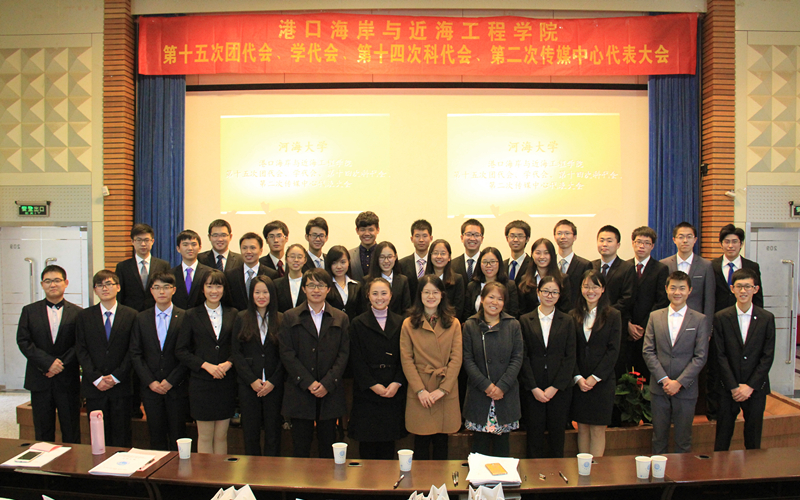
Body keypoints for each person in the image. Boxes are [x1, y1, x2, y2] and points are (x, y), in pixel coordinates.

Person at [279, 268, 350, 458]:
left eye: (320, 285)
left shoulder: (340, 318)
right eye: (311, 285)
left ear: (328, 289)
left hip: (330, 392)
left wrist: (327, 383)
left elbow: (343, 354)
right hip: (300, 391)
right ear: (304, 289)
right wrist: (308, 382)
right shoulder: (290, 316)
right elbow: (287, 353)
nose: (316, 290)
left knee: (328, 448)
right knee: (300, 448)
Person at [643, 271, 710, 454]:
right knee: (658, 438)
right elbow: (648, 351)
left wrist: (679, 382)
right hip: (659, 388)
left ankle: (681, 472)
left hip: (686, 389)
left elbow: (700, 356)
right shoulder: (655, 316)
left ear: (690, 290)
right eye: (673, 288)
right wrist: (664, 380)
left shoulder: (699, 319)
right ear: (666, 289)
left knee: (683, 440)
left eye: (682, 288)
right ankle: (659, 473)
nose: (677, 292)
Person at [16, 264, 82, 443]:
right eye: (48, 281)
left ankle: (72, 460)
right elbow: (24, 341)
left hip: (67, 379)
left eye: (57, 280)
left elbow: (80, 344)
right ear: (42, 284)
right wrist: (47, 363)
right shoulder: (29, 311)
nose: (53, 284)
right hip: (40, 378)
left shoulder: (78, 313)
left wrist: (60, 364)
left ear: (66, 283)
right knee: (43, 431)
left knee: (71, 430)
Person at [400, 275, 462, 460]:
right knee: (420, 442)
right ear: (420, 295)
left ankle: (440, 481)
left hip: (445, 388)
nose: (431, 296)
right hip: (421, 389)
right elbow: (406, 359)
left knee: (442, 443)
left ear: (442, 295)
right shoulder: (409, 324)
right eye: (426, 292)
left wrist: (443, 389)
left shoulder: (453, 323)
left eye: (435, 292)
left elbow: (456, 359)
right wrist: (420, 390)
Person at [175, 269, 237, 454]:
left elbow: (239, 347)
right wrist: (206, 366)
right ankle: (204, 473)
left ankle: (220, 472)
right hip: (201, 384)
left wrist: (229, 363)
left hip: (226, 382)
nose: (214, 290)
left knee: (221, 436)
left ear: (224, 289)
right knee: (205, 436)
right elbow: (181, 350)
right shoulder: (191, 314)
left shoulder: (234, 313)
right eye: (209, 286)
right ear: (202, 289)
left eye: (218, 286)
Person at [714, 268, 775, 451]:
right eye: (739, 286)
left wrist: (750, 386)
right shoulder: (721, 317)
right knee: (722, 438)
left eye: (748, 286)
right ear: (732, 288)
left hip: (755, 388)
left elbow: (767, 356)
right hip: (728, 388)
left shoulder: (766, 318)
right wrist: (734, 386)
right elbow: (719, 355)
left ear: (755, 289)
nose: (743, 291)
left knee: (753, 439)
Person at [75, 270, 138, 447]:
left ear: (118, 287)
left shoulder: (132, 315)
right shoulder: (84, 316)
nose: (105, 288)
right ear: (95, 290)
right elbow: (81, 350)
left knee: (122, 435)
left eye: (109, 284)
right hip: (95, 386)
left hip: (121, 385)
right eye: (100, 285)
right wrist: (96, 378)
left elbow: (133, 350)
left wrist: (116, 376)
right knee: (98, 437)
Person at [708, 224, 764, 421]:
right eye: (727, 242)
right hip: (719, 326)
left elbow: (758, 300)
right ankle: (714, 413)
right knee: (717, 367)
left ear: (741, 244)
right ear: (721, 244)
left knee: (745, 364)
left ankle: (744, 401)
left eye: (735, 242)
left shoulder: (752, 267)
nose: (730, 245)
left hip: (746, 325)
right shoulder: (712, 266)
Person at [462, 281, 523, 457]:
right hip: (480, 394)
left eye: (500, 299)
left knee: (502, 450)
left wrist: (502, 386)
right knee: (479, 450)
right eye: (491, 297)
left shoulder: (513, 325)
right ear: (481, 299)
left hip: (505, 394)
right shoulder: (471, 325)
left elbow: (517, 358)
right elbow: (468, 359)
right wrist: (487, 386)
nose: (495, 302)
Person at [129, 272, 189, 451]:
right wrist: (151, 382)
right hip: (151, 388)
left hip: (177, 387)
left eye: (166, 287)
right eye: (157, 287)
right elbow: (135, 353)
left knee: (178, 436)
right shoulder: (141, 318)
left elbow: (188, 353)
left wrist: (171, 381)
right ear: (151, 291)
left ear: (174, 290)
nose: (161, 292)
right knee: (156, 436)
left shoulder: (185, 317)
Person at [348, 278, 407, 459]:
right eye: (375, 293)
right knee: (367, 444)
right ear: (368, 295)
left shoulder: (402, 322)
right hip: (367, 391)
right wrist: (372, 385)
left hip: (393, 389)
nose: (379, 298)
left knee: (389, 445)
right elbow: (355, 359)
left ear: (391, 295)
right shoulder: (357, 323)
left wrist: (397, 382)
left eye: (383, 293)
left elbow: (406, 356)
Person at [519, 276, 576, 458]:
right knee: (533, 436)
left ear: (559, 295)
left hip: (559, 388)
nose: (549, 296)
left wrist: (555, 387)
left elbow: (570, 357)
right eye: (546, 291)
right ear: (538, 292)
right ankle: (533, 475)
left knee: (557, 437)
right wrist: (533, 387)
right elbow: (523, 356)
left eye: (554, 292)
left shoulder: (567, 320)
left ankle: (556, 473)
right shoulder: (525, 320)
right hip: (533, 387)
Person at [231, 275, 285, 456]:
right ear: (251, 295)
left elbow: (285, 355)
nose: (261, 296)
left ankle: (272, 470)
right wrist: (251, 380)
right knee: (250, 432)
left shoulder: (281, 318)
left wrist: (273, 381)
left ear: (272, 294)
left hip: (273, 385)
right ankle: (252, 469)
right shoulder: (241, 317)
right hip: (249, 385)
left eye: (265, 292)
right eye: (257, 292)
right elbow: (236, 353)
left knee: (273, 432)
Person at [571, 269, 621, 457]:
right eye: (586, 286)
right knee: (582, 428)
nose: (590, 291)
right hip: (579, 381)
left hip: (602, 382)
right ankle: (583, 468)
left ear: (603, 289)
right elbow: (570, 351)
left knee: (598, 429)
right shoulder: (572, 315)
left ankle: (597, 470)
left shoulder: (613, 315)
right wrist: (578, 377)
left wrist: (595, 377)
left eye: (595, 286)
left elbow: (613, 351)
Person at [625, 226, 669, 382]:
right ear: (633, 243)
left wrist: (644, 326)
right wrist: (628, 324)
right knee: (625, 373)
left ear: (652, 246)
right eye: (638, 242)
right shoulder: (624, 267)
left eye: (646, 243)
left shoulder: (661, 269)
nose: (641, 246)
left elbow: (662, 301)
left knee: (645, 374)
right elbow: (622, 299)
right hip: (626, 329)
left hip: (649, 330)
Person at [660, 222, 715, 325]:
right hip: (669, 320)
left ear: (695, 240)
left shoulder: (706, 265)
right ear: (674, 240)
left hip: (696, 321)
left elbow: (709, 300)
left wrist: (707, 327)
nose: (685, 241)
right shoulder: (664, 265)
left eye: (689, 237)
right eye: (681, 237)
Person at [115, 223, 171, 312]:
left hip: (156, 312)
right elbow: (119, 295)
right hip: (131, 313)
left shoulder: (163, 265)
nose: (143, 244)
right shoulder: (122, 267)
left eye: (146, 240)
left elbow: (168, 291)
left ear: (152, 241)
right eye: (139, 240)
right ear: (132, 242)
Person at [592, 225, 636, 329]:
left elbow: (627, 298)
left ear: (618, 245)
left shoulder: (627, 268)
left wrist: (605, 312)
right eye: (601, 240)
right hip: (592, 320)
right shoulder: (591, 266)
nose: (604, 244)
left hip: (616, 321)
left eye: (609, 241)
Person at [224, 232, 278, 311]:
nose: (248, 251)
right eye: (244, 248)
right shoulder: (230, 275)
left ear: (261, 250)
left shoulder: (271, 274)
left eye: (253, 248)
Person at [517, 238, 572, 315]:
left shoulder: (562, 279)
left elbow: (565, 308)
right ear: (532, 255)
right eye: (538, 253)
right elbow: (522, 310)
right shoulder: (525, 279)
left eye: (546, 253)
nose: (542, 257)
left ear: (552, 255)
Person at [464, 247, 519, 322]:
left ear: (499, 263)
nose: (488, 265)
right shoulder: (472, 286)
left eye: (492, 262)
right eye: (485, 262)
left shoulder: (509, 286)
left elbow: (513, 313)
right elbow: (467, 314)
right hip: (476, 327)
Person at [553, 219, 592, 309]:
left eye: (567, 233)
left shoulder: (584, 265)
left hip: (575, 312)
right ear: (554, 237)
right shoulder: (549, 262)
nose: (563, 237)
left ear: (575, 237)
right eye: (559, 233)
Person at [424, 239, 466, 321]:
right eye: (435, 253)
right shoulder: (423, 280)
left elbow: (458, 308)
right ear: (430, 256)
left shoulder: (457, 279)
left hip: (449, 323)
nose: (439, 256)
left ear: (449, 257)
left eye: (443, 253)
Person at [367, 241, 412, 316]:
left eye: (390, 257)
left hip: (398, 322)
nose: (386, 261)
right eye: (382, 257)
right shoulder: (367, 280)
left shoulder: (403, 280)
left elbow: (406, 309)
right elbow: (364, 309)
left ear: (395, 257)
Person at [171, 229, 213, 310]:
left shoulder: (209, 273)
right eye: (185, 244)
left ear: (200, 248)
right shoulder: (171, 274)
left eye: (194, 244)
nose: (190, 248)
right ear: (178, 248)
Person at [324, 245, 365, 321]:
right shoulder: (325, 286)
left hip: (352, 327)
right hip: (331, 326)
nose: (339, 267)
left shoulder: (357, 286)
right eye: (334, 263)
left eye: (343, 262)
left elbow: (361, 312)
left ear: (349, 262)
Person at [399, 219, 433, 298]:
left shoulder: (436, 262)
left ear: (431, 238)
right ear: (412, 239)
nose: (421, 240)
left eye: (425, 236)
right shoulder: (401, 264)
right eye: (417, 236)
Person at [274, 243, 308, 313]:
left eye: (299, 257)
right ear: (286, 259)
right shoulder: (276, 284)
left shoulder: (309, 283)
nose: (296, 260)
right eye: (292, 256)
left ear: (305, 260)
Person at [348, 211, 380, 281]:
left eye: (371, 230)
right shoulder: (349, 255)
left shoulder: (384, 254)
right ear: (357, 230)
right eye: (363, 230)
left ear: (378, 230)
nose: (367, 233)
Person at [451, 219, 484, 284]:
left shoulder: (487, 264)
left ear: (482, 239)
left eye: (477, 235)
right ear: (462, 238)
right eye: (468, 234)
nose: (472, 238)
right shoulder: (452, 265)